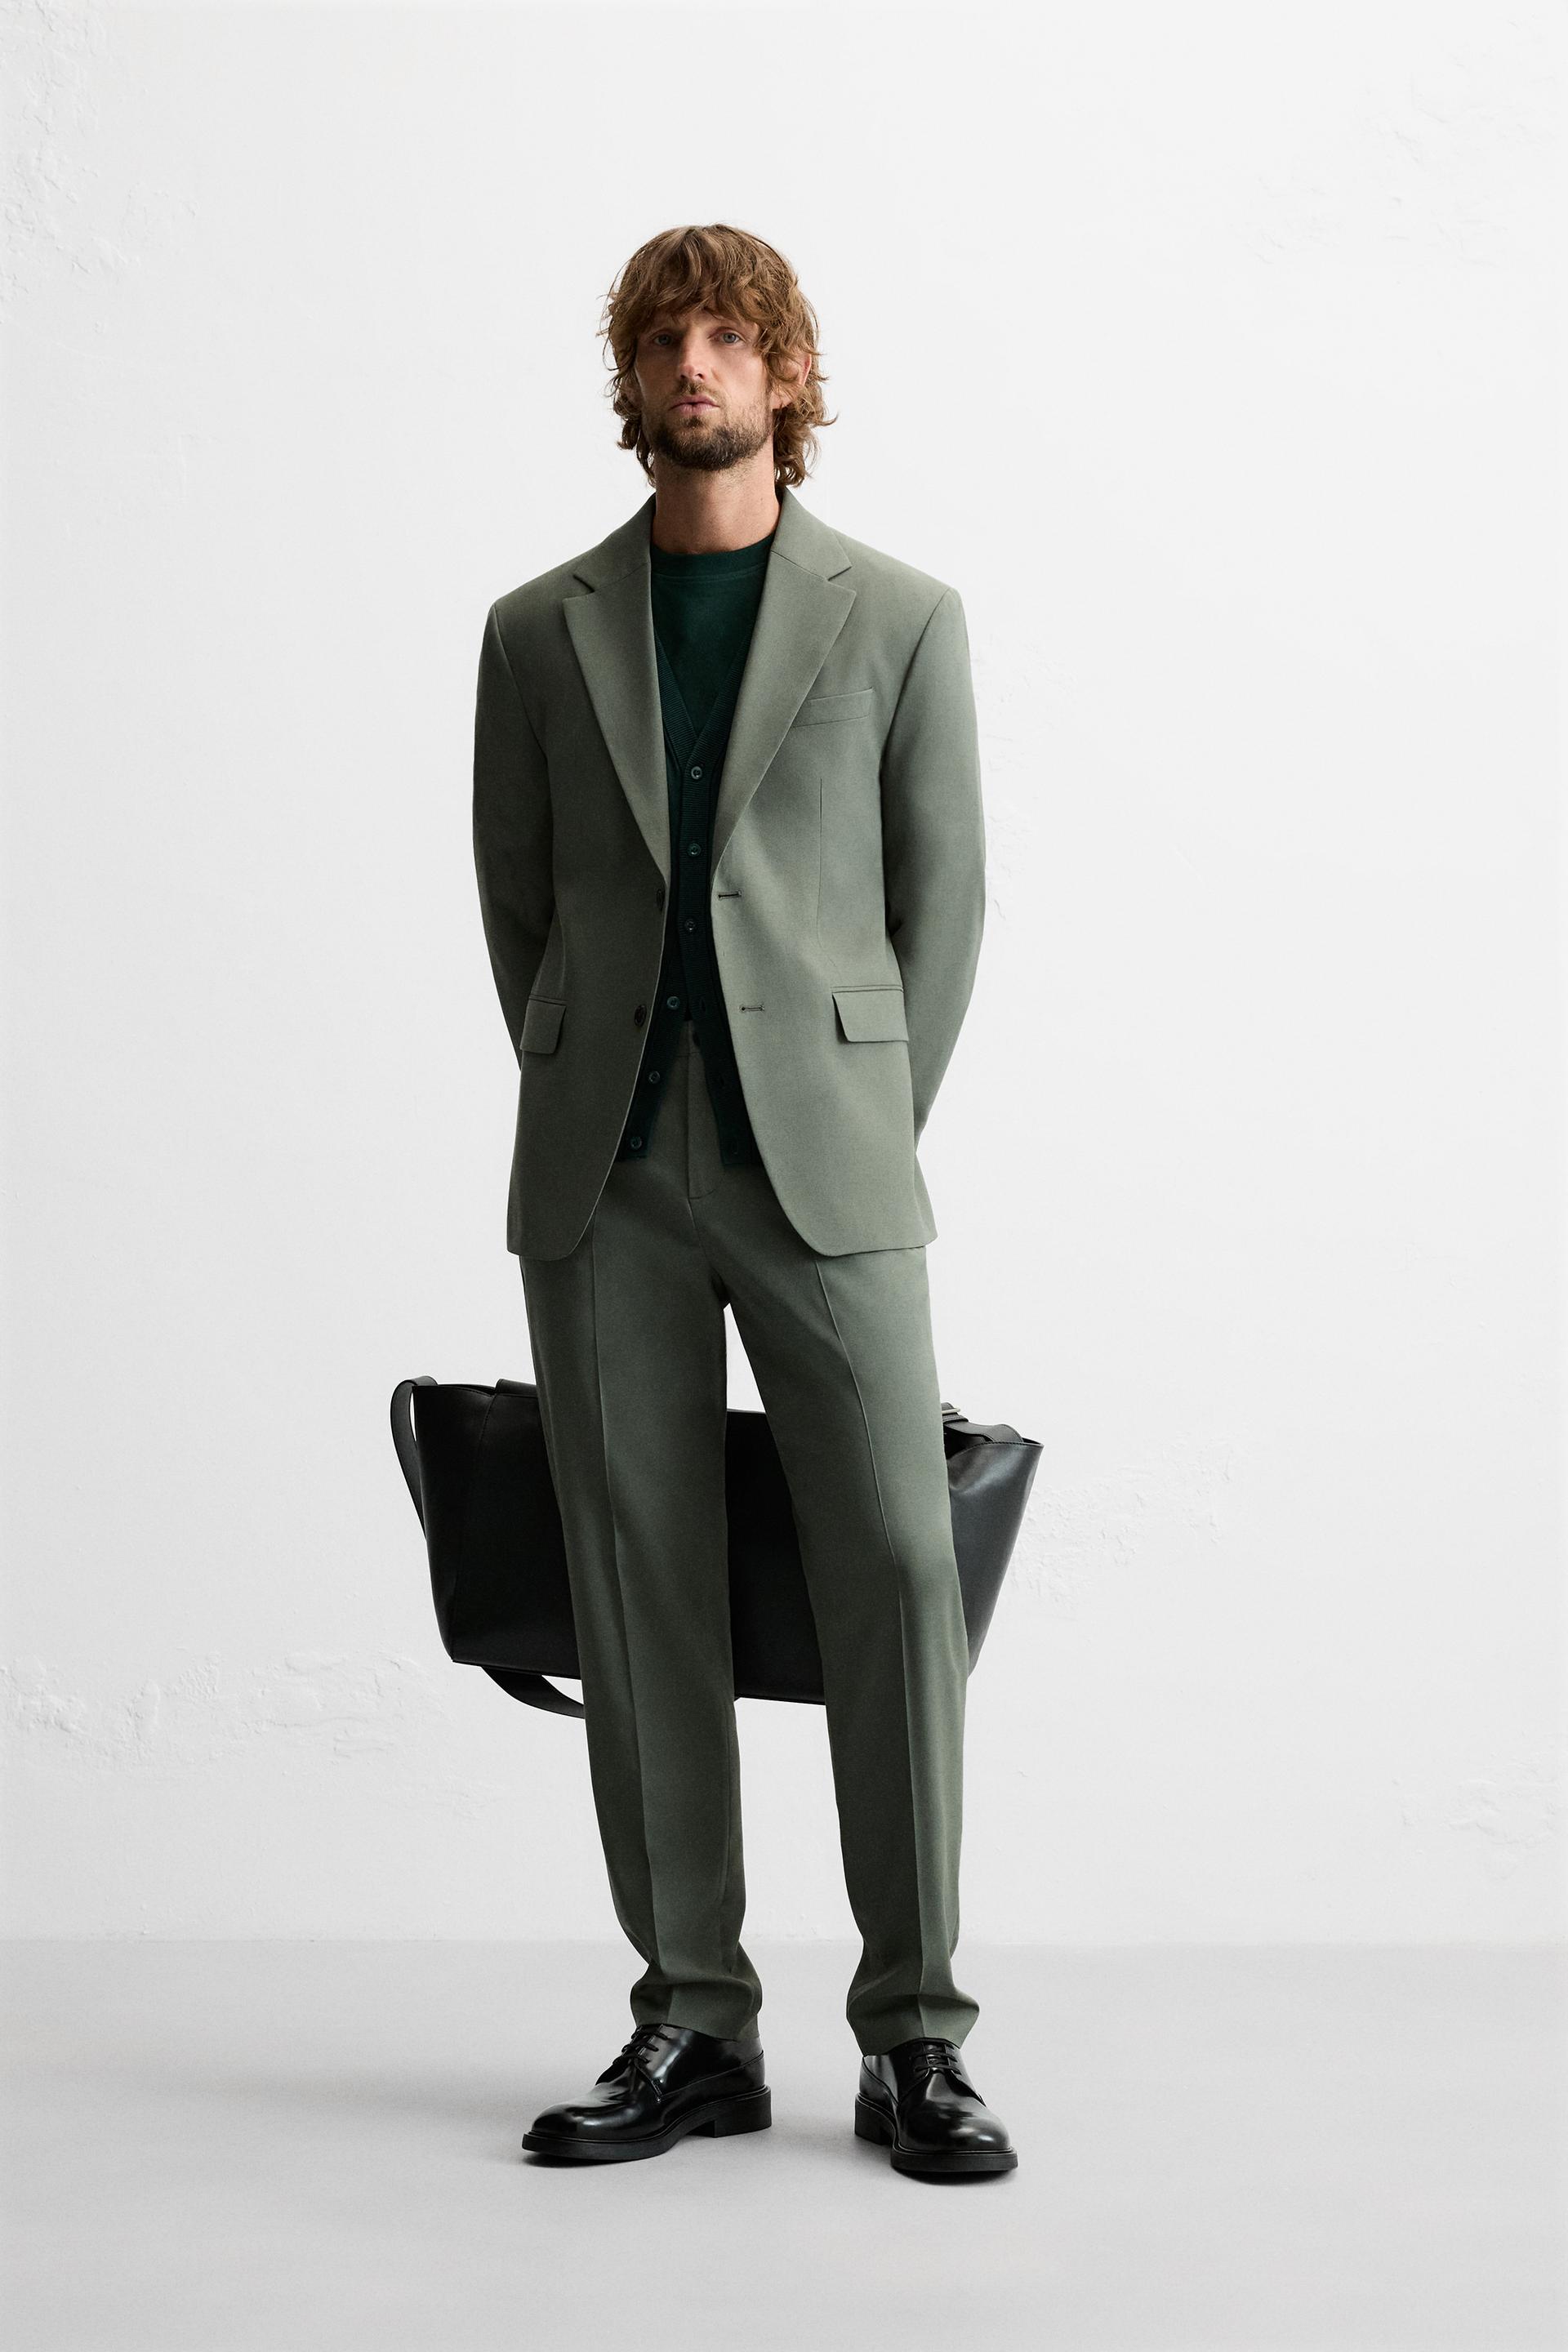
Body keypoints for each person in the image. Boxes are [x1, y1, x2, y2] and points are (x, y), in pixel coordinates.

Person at [471, 223, 1014, 2181]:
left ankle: (917, 2035)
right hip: (606, 1169)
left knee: (898, 1570)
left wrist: (852, 1123)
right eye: (662, 340)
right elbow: (519, 904)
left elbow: (943, 903)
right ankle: (694, 2024)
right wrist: (590, 1084)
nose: (692, 365)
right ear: (628, 381)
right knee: (640, 1592)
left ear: (787, 374)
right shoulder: (537, 631)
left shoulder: (904, 618)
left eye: (728, 337)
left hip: (827, 1167)